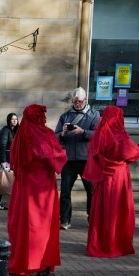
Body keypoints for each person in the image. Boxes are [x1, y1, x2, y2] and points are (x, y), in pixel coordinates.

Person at [7, 104, 68, 276]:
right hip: (43, 188)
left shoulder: (20, 136)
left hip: (24, 187)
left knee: (22, 226)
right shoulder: (46, 135)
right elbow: (55, 157)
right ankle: (44, 266)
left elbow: (13, 161)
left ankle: (20, 267)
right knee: (45, 226)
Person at [84, 106, 139, 258]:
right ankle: (114, 243)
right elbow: (133, 152)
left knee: (103, 209)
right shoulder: (119, 136)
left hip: (102, 177)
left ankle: (100, 241)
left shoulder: (99, 135)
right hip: (118, 177)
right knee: (116, 209)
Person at [55, 87, 100, 230]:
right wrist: (62, 134)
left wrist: (83, 132)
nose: (77, 104)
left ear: (85, 100)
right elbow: (55, 137)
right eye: (75, 101)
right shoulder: (65, 116)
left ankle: (92, 218)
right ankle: (65, 220)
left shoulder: (94, 115)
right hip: (69, 160)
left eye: (80, 101)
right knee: (65, 191)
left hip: (87, 159)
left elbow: (99, 134)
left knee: (91, 191)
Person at [0, 113, 19, 210]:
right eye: (13, 119)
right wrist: (3, 160)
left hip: (14, 158)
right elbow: (2, 146)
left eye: (16, 119)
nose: (15, 121)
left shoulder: (17, 131)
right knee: (3, 180)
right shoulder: (5, 131)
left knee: (10, 180)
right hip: (7, 158)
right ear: (9, 120)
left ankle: (0, 202)